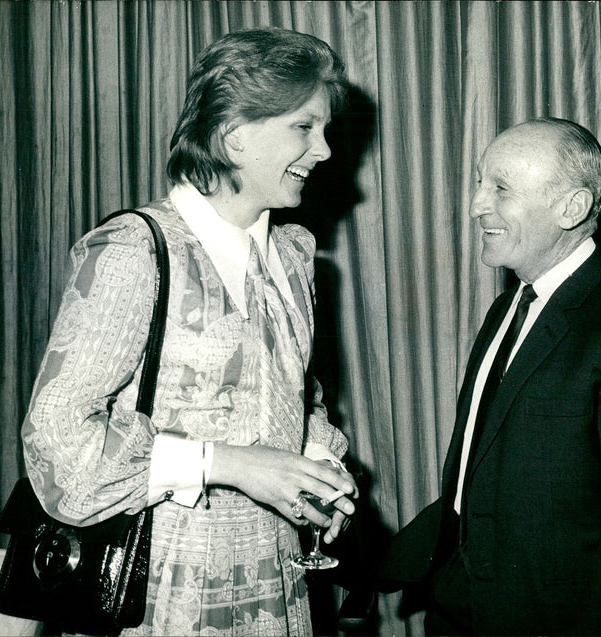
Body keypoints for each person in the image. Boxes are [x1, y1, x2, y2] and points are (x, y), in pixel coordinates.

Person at [20, 28, 357, 636]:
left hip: (278, 587)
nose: (326, 150)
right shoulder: (135, 250)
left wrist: (315, 467)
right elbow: (56, 441)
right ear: (233, 136)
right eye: (304, 128)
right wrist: (225, 463)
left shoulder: (294, 255)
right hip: (159, 594)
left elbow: (292, 400)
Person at [381, 117, 601, 636]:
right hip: (459, 610)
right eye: (481, 183)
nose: (476, 204)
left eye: (500, 188)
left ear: (571, 208)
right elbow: (475, 479)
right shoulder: (506, 309)